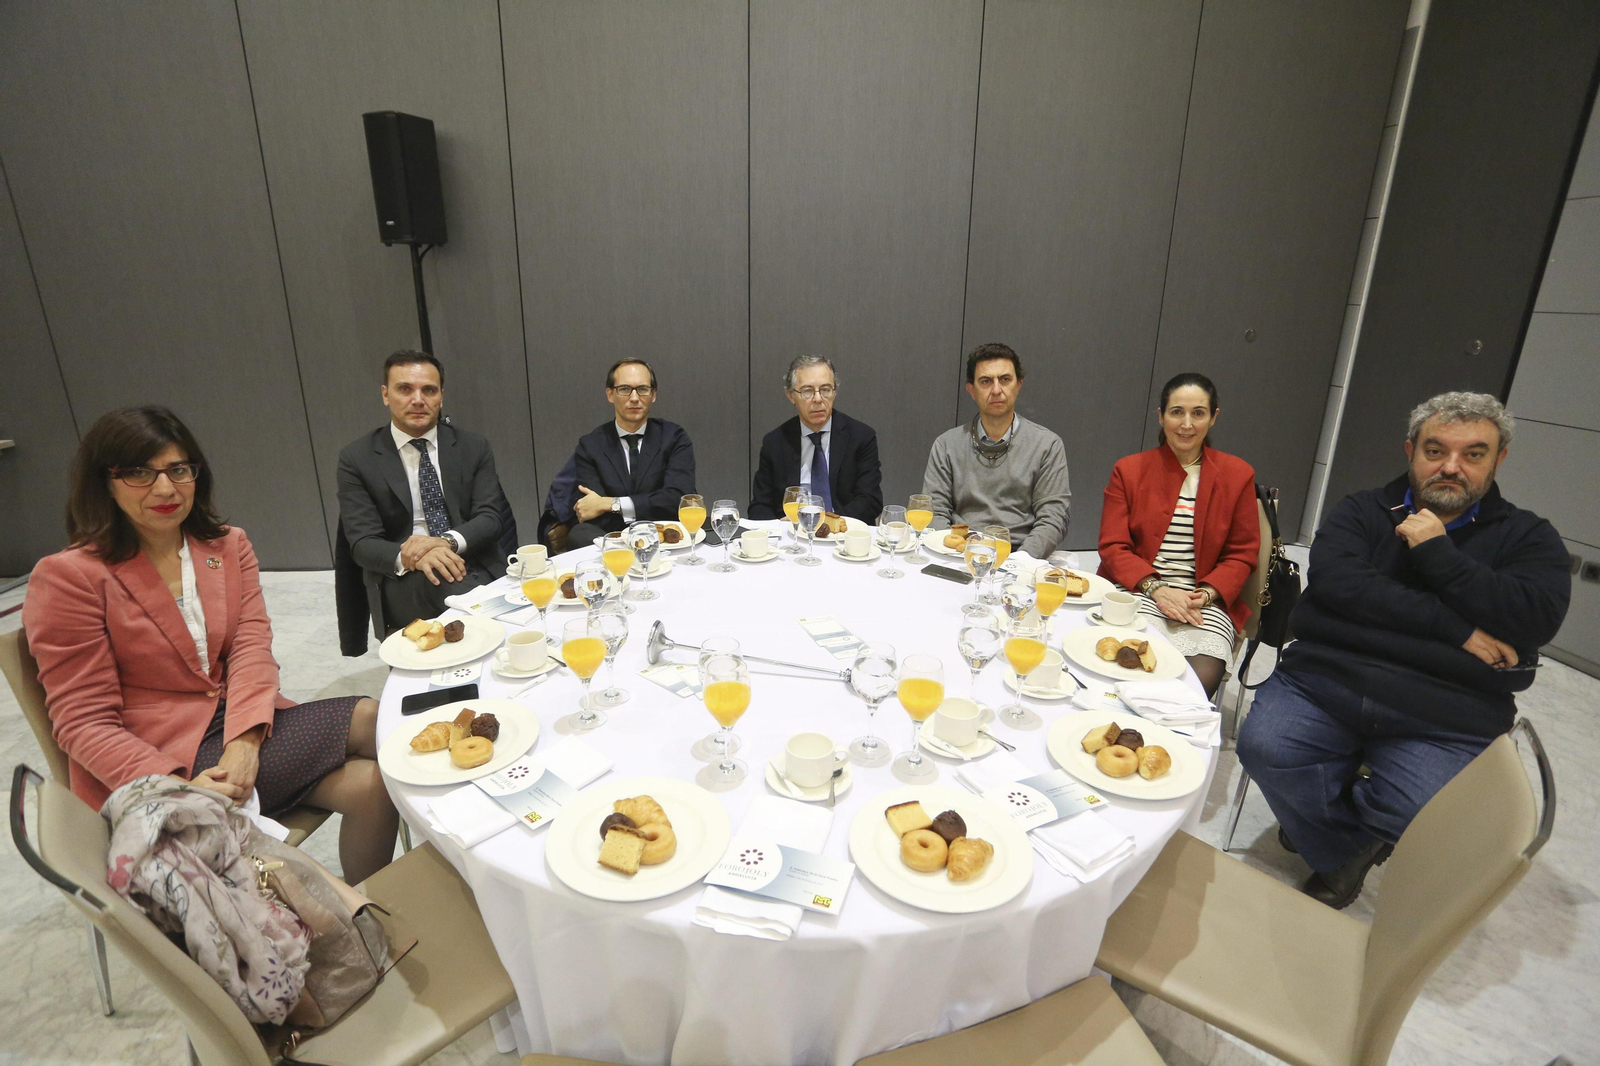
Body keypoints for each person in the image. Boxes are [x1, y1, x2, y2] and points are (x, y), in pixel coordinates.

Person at [24, 407, 399, 883]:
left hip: (236, 721)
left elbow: (250, 648)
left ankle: (366, 909)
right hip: (162, 754)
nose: (165, 489)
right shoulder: (71, 577)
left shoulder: (226, 546)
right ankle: (350, 920)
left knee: (375, 758)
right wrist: (178, 788)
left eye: (178, 469)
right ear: (105, 482)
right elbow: (83, 722)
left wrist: (244, 742)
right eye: (139, 473)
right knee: (373, 733)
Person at [1237, 391, 1569, 909]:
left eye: (1473, 454)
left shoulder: (1529, 538)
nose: (1452, 467)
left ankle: (1321, 828)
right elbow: (1337, 588)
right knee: (1265, 747)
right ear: (1411, 450)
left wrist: (1437, 554)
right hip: (1328, 681)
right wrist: (1458, 632)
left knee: (1427, 817)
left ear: (1499, 458)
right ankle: (1342, 847)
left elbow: (1534, 618)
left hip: (1447, 712)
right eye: (1435, 451)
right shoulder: (1363, 511)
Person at [1097, 373, 1260, 696]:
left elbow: (1242, 553)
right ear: (1161, 416)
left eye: (1198, 413)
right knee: (1128, 668)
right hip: (1139, 590)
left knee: (1194, 685)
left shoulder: (1238, 474)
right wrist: (1157, 589)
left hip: (1203, 601)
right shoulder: (1129, 470)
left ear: (1213, 418)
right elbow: (1113, 546)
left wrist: (1206, 594)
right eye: (1176, 412)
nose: (1186, 424)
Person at [337, 350, 512, 630]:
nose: (418, 400)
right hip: (403, 575)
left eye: (428, 390)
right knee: (452, 588)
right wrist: (414, 556)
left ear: (441, 396)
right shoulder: (357, 458)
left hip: (472, 556)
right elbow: (362, 543)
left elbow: (490, 517)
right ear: (385, 394)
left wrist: (444, 542)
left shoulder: (473, 447)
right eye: (405, 389)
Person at [922, 342, 1070, 558]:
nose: (996, 390)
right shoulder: (947, 445)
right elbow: (935, 510)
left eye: (1005, 379)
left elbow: (1054, 517)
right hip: (959, 553)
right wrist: (953, 549)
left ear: (1018, 385)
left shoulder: (1047, 445)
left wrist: (1021, 560)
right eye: (985, 381)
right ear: (971, 390)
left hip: (1020, 554)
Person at [568, 358, 697, 548]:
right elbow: (590, 511)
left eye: (643, 389)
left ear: (653, 395)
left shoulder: (674, 437)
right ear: (610, 394)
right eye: (624, 389)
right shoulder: (590, 446)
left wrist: (610, 504)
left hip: (666, 540)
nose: (634, 398)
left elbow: (677, 499)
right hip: (614, 544)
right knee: (579, 534)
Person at [748, 354, 883, 523]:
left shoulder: (861, 437)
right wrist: (778, 528)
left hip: (842, 534)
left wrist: (826, 523)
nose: (818, 399)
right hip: (792, 537)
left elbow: (870, 500)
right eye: (807, 391)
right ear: (791, 396)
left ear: (834, 392)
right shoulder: (775, 443)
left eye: (825, 390)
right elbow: (760, 506)